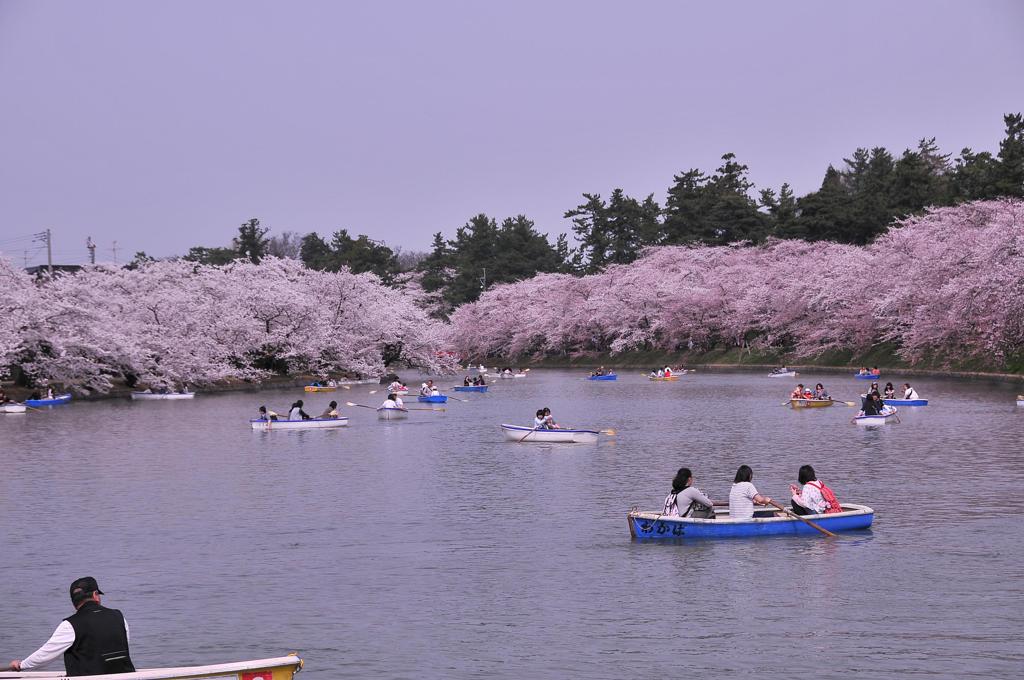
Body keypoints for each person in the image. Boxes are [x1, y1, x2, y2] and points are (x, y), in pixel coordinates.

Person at [7, 577, 135, 676]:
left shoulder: (70, 625)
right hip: (125, 675)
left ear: (74, 602)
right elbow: (124, 644)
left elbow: (46, 655)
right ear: (95, 595)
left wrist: (21, 665)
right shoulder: (119, 616)